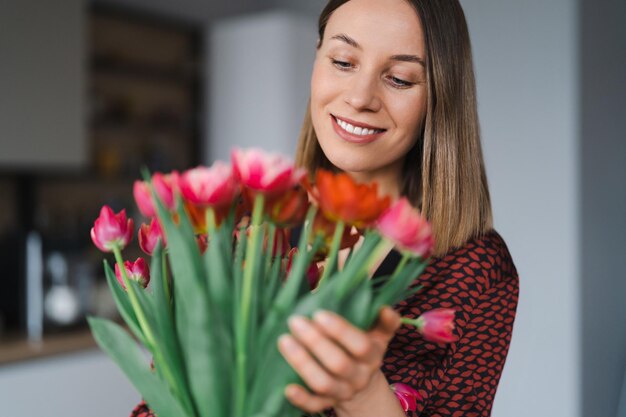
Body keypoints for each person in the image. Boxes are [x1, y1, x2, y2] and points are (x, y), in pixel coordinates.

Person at [131, 0, 518, 416]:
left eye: (400, 79)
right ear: (317, 60)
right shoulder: (244, 223)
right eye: (344, 61)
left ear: (441, 96)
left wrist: (364, 394)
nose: (359, 97)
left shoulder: (477, 268)